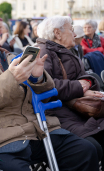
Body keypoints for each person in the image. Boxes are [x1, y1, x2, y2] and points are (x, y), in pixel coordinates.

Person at [0, 7, 99, 171]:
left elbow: (46, 94)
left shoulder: (8, 56)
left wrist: (38, 77)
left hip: (37, 129)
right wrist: (11, 78)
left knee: (84, 151)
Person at [37, 15, 104, 167]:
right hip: (57, 114)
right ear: (57, 33)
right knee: (92, 148)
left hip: (77, 109)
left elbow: (85, 76)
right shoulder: (43, 52)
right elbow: (44, 86)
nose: (75, 34)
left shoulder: (66, 51)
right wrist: (79, 88)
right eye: (71, 30)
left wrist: (86, 84)